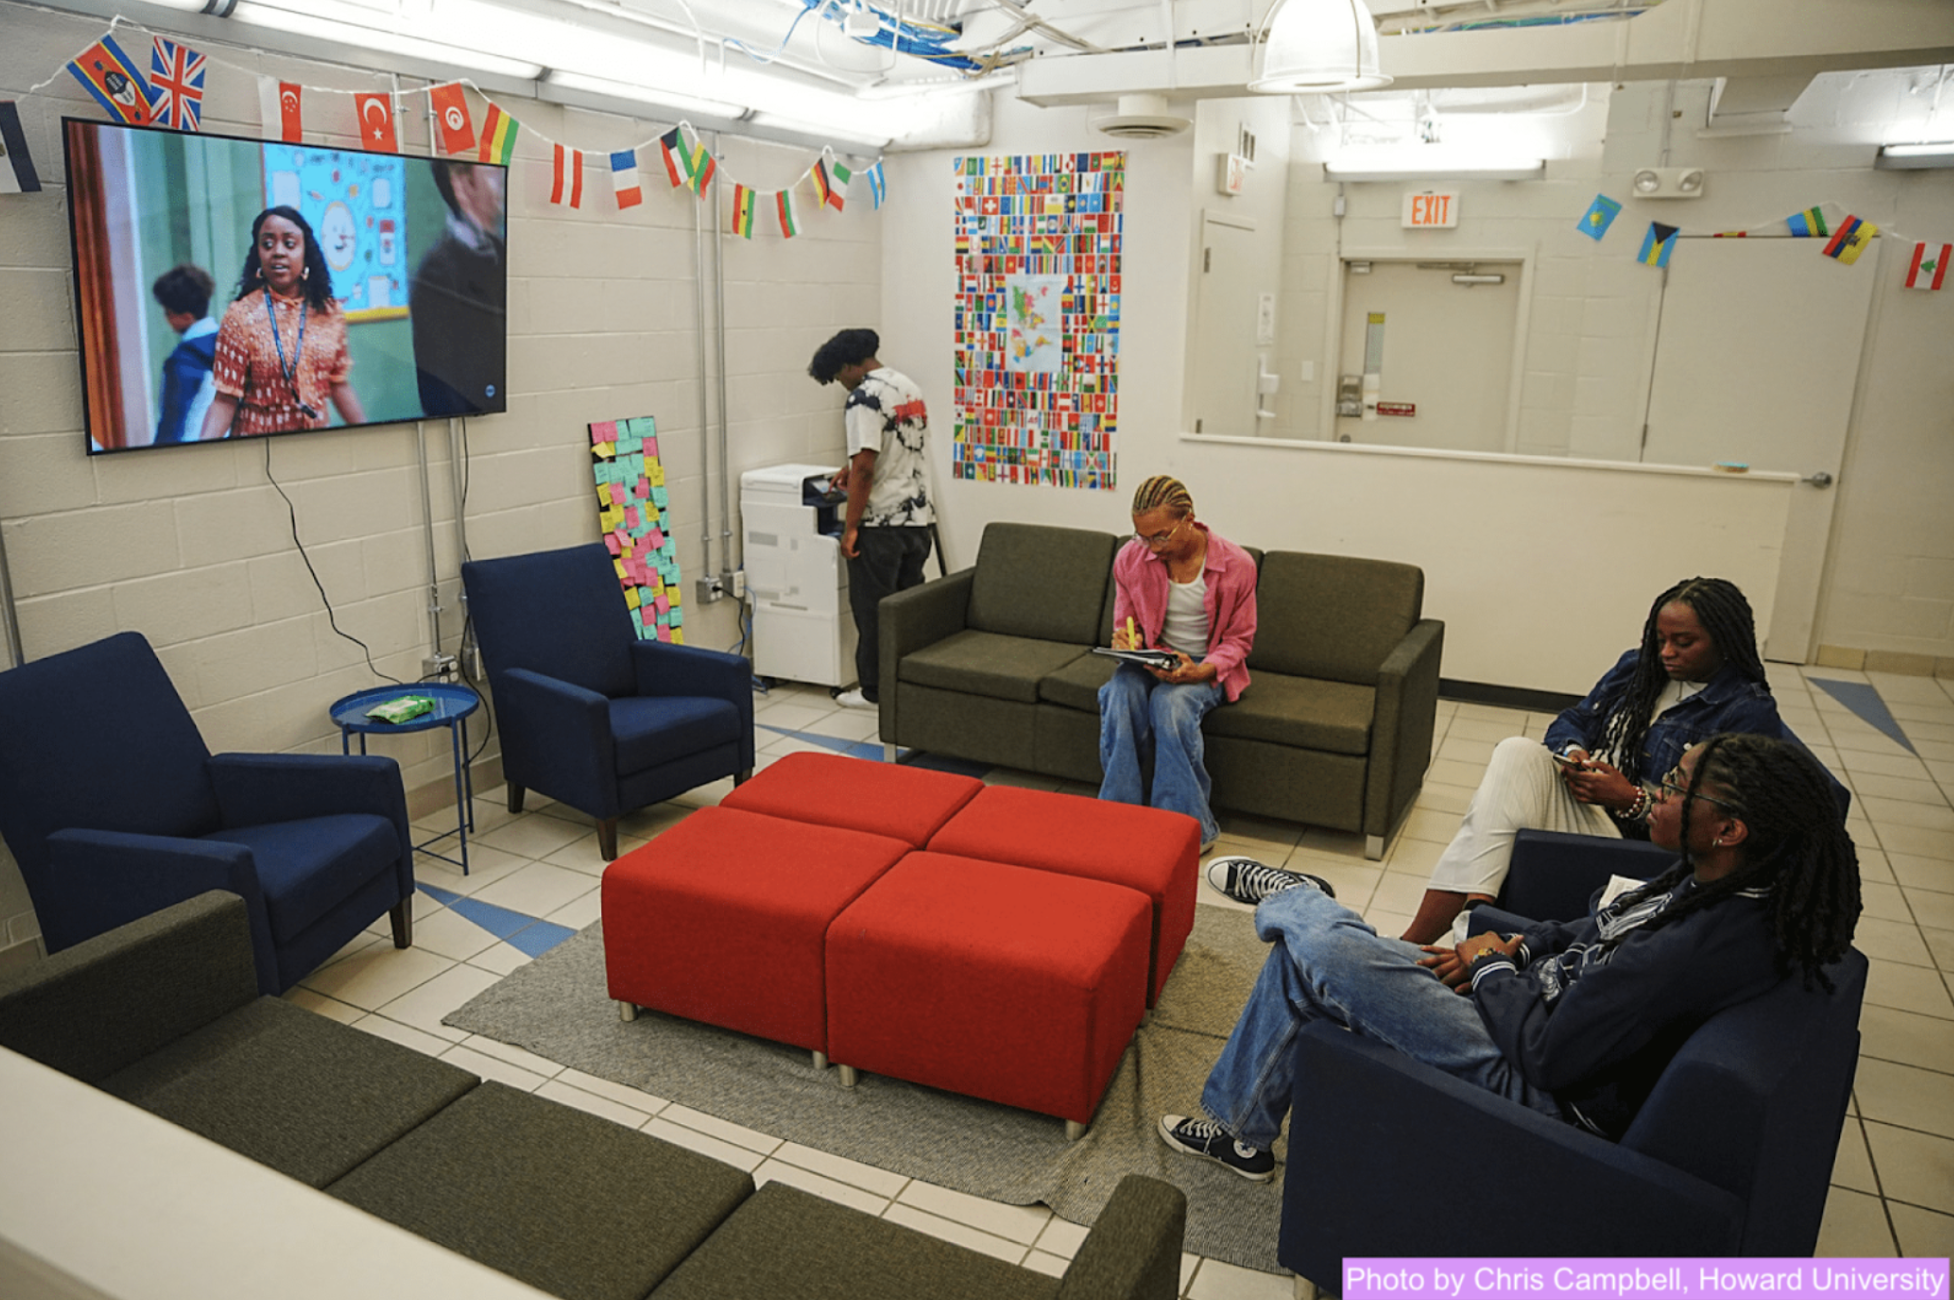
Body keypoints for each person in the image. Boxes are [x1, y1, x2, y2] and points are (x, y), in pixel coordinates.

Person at [1160, 732, 1860, 1181]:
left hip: (1539, 1081)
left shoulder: (1691, 950)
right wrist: (1520, 948)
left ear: (1728, 828)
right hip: (1533, 1010)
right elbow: (1595, 926)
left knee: (1323, 949)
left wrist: (1490, 968)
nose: (1655, 793)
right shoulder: (1720, 882)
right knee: (1312, 959)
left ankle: (1299, 898)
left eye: (1675, 787)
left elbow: (1549, 1055)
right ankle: (1241, 1137)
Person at [1401, 576, 1781, 946]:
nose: (1666, 652)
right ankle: (1468, 924)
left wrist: (1631, 799)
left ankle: (1435, 939)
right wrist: (1574, 754)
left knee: (1491, 822)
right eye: (1660, 639)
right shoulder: (1638, 667)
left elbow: (1723, 821)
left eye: (1683, 643)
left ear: (1725, 641)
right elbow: (1576, 719)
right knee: (1516, 753)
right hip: (1598, 812)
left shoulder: (1746, 711)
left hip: (1649, 848)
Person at [1099, 475, 1256, 853]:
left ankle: (1185, 831)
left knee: (1170, 704)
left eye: (1161, 537)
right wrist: (1127, 641)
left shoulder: (1236, 565)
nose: (1152, 547)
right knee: (1119, 694)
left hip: (1206, 663)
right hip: (1152, 657)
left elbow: (1239, 641)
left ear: (1189, 519)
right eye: (1143, 537)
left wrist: (1201, 670)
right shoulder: (1131, 557)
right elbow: (1125, 623)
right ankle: (1118, 816)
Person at [807, 328, 934, 710]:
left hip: (881, 526)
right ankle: (906, 683)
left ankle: (873, 692)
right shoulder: (908, 388)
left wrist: (850, 528)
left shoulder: (863, 397)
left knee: (874, 610)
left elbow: (865, 468)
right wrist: (851, 468)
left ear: (850, 366)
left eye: (838, 376)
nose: (842, 384)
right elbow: (892, 450)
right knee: (906, 609)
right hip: (917, 519)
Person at [200, 206, 364, 440]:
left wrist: (371, 437)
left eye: (289, 244)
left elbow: (338, 384)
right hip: (259, 447)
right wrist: (202, 452)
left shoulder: (329, 312)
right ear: (258, 254)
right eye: (267, 244)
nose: (278, 252)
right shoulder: (241, 316)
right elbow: (225, 399)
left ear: (306, 252)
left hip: (315, 447)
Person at [411, 160, 508, 416]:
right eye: (491, 173)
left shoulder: (502, 255)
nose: (501, 181)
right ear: (462, 184)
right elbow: (439, 392)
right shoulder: (438, 272)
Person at [149, 263, 218, 446]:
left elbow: (173, 421)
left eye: (168, 313)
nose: (166, 318)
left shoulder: (184, 360)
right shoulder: (232, 346)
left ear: (187, 316)